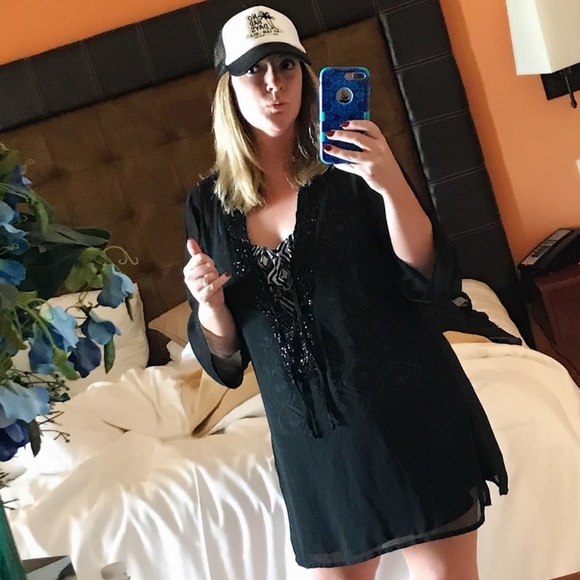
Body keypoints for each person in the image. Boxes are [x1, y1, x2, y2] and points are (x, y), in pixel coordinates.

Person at [183, 5, 508, 579]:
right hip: (312, 447)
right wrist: (210, 305)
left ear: (307, 75)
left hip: (408, 414)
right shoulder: (208, 204)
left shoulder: (354, 166)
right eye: (254, 70)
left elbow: (427, 277)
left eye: (286, 66)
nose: (273, 84)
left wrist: (390, 183)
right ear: (228, 88)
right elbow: (227, 359)